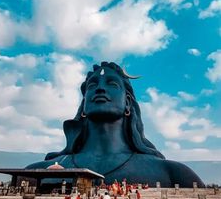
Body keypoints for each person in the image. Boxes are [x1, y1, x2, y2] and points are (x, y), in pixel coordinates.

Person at [26, 62, 204, 188]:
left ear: (127, 103)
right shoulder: (36, 172)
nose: (100, 89)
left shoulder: (173, 173)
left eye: (111, 84)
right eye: (92, 85)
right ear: (83, 107)